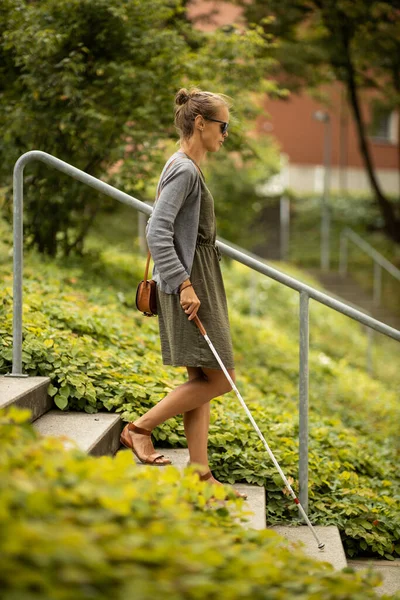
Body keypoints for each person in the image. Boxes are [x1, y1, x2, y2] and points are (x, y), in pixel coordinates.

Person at [120, 87, 246, 499]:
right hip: (191, 283)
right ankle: (139, 428)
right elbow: (157, 230)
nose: (226, 133)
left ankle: (200, 473)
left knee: (202, 374)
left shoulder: (187, 166)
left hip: (199, 277)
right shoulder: (185, 170)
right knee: (222, 376)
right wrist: (186, 284)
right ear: (200, 123)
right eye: (222, 125)